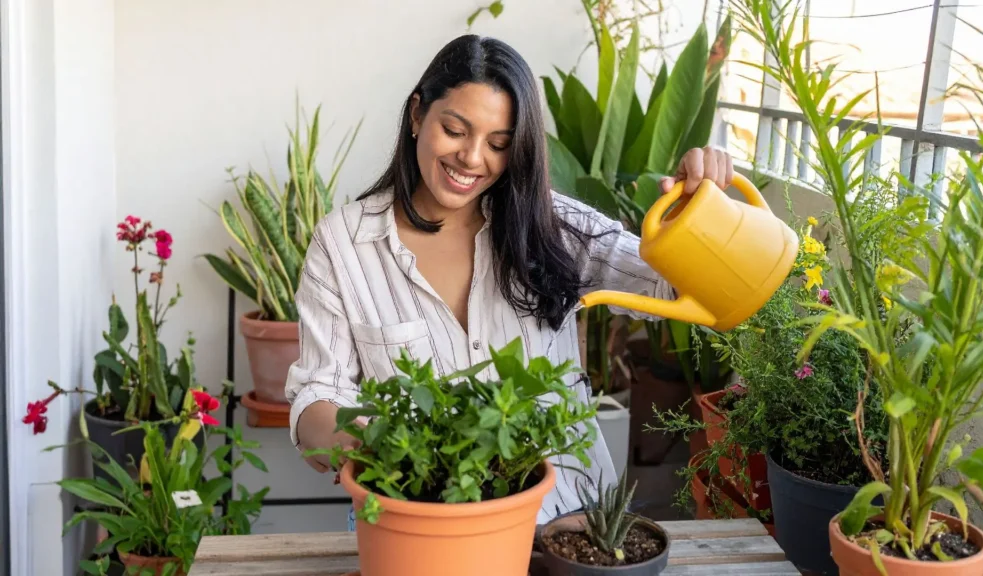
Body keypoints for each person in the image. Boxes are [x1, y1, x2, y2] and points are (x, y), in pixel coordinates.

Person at [284, 34, 734, 530]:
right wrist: (368, 441)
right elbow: (317, 396)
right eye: (455, 130)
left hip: (572, 520)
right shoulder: (344, 244)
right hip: (418, 522)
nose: (473, 159)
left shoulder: (553, 226)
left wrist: (698, 214)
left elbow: (676, 288)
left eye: (498, 144)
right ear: (417, 115)